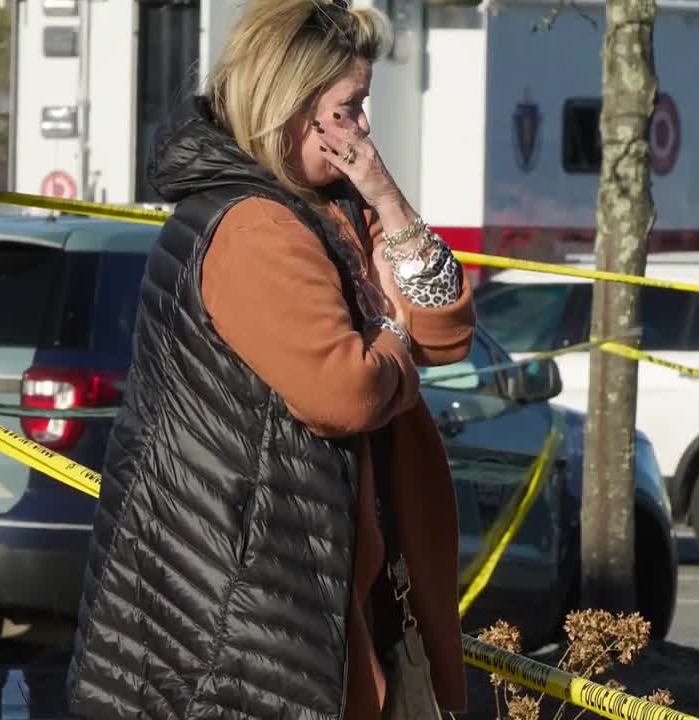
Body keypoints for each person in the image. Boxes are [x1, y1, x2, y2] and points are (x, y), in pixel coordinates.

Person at [63, 1, 476, 718]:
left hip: (294, 592)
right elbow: (344, 391)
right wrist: (395, 337)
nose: (364, 128)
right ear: (288, 104)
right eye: (350, 108)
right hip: (238, 616)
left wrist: (386, 196)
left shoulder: (331, 206)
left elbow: (448, 332)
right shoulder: (255, 226)